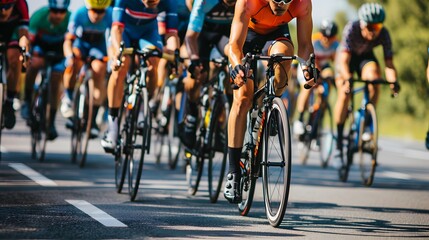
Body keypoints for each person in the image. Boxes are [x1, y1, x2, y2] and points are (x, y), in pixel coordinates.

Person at [225, 0, 317, 203]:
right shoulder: (248, 2)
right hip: (247, 36)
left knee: (284, 59)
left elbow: (304, 46)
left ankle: (268, 108)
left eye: (287, 0)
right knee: (242, 98)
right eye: (277, 0)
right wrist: (236, 66)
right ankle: (233, 172)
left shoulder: (302, 3)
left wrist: (307, 68)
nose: (282, 4)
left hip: (277, 35)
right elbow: (233, 45)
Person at [101, 0, 179, 152]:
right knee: (121, 64)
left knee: (154, 60)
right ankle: (112, 128)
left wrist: (173, 53)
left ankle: (143, 104)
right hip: (124, 32)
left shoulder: (170, 2)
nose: (151, 2)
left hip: (148, 33)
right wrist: (117, 52)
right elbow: (116, 28)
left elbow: (171, 33)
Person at [333, 3, 400, 166]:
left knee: (375, 78)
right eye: (370, 26)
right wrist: (348, 77)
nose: (373, 31)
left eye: (377, 26)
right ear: (362, 24)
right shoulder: (352, 28)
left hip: (365, 58)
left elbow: (389, 64)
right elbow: (343, 61)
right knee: (345, 91)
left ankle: (365, 119)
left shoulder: (384, 34)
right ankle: (338, 142)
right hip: (346, 58)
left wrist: (393, 81)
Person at [180, 0, 236, 148]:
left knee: (234, 76)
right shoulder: (204, 2)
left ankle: (221, 124)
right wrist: (194, 60)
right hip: (202, 35)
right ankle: (191, 115)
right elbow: (190, 37)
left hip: (225, 36)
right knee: (197, 76)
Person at [61, 0, 112, 138]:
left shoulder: (110, 15)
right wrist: (69, 56)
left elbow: (113, 40)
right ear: (88, 8)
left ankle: (93, 119)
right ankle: (69, 97)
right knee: (74, 63)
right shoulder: (79, 14)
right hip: (81, 44)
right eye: (94, 10)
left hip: (99, 46)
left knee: (100, 70)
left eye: (101, 11)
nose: (97, 15)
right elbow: (68, 40)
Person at [20, 0, 70, 140]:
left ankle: (51, 121)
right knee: (34, 64)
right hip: (40, 48)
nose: (58, 15)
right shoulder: (38, 17)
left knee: (55, 81)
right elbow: (29, 41)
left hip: (59, 51)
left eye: (62, 12)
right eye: (55, 11)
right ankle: (27, 101)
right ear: (49, 9)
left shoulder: (70, 19)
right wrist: (29, 56)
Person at [293, 19, 339, 137]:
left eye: (330, 37)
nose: (327, 40)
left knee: (328, 80)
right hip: (309, 64)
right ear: (321, 33)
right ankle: (300, 118)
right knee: (308, 86)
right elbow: (304, 54)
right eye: (325, 36)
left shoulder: (336, 44)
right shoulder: (314, 40)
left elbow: (335, 61)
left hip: (323, 65)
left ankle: (318, 115)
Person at [0, 0, 29, 130]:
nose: (3, 11)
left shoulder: (21, 4)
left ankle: (10, 101)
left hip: (12, 32)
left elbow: (23, 34)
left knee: (15, 57)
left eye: (8, 7)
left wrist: (24, 51)